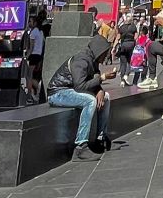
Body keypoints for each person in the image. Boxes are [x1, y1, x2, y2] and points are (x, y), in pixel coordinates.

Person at [46, 22, 117, 161]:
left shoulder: (93, 61)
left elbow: (92, 82)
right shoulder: (81, 60)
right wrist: (102, 78)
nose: (105, 57)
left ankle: (100, 138)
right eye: (104, 54)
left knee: (106, 97)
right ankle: (80, 147)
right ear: (98, 51)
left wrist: (100, 90)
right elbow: (81, 86)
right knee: (90, 101)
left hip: (71, 90)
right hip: (58, 92)